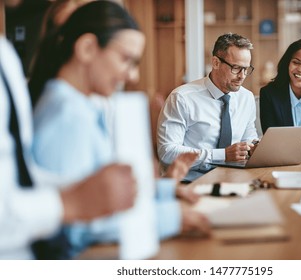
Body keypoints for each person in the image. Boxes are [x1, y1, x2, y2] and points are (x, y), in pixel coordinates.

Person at [29, 1, 209, 257]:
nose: (133, 76)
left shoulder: (79, 106)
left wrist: (164, 191)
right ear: (88, 48)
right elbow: (78, 222)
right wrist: (170, 217)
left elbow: (95, 192)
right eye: (126, 60)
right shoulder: (67, 116)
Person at [0, 2, 137, 260]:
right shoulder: (66, 114)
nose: (132, 75)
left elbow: (22, 180)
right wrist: (68, 203)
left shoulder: (6, 57)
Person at [157, 33, 259, 182]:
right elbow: (167, 152)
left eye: (246, 69)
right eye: (236, 68)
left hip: (233, 180)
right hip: (189, 182)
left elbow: (248, 138)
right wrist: (222, 155)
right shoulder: (182, 98)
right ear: (216, 62)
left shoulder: (246, 98)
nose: (242, 76)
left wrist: (255, 147)